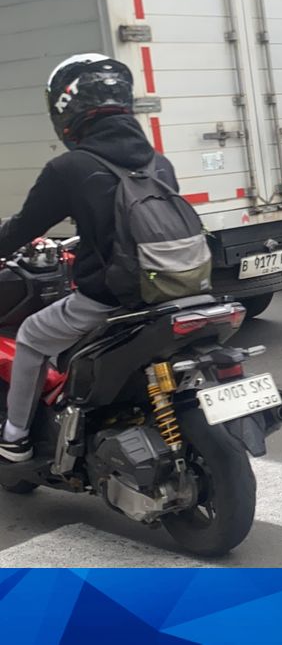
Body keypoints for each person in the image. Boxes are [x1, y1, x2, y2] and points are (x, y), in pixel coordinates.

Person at [0, 54, 179, 463]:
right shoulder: (158, 162)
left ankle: (15, 437)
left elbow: (22, 229)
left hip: (114, 298)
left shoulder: (69, 167)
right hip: (181, 288)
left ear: (67, 110)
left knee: (31, 336)